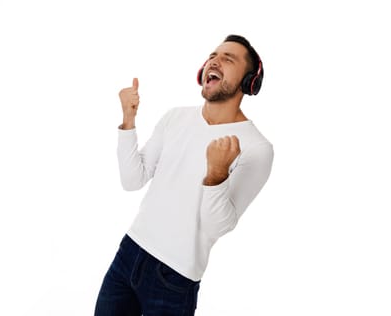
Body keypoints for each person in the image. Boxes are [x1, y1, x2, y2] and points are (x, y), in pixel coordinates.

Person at [94, 35, 274, 315]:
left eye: (228, 59)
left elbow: (218, 226)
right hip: (129, 253)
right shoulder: (175, 117)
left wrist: (216, 176)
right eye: (213, 55)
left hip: (174, 277)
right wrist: (128, 121)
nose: (214, 60)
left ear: (249, 81)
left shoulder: (256, 148)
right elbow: (133, 180)